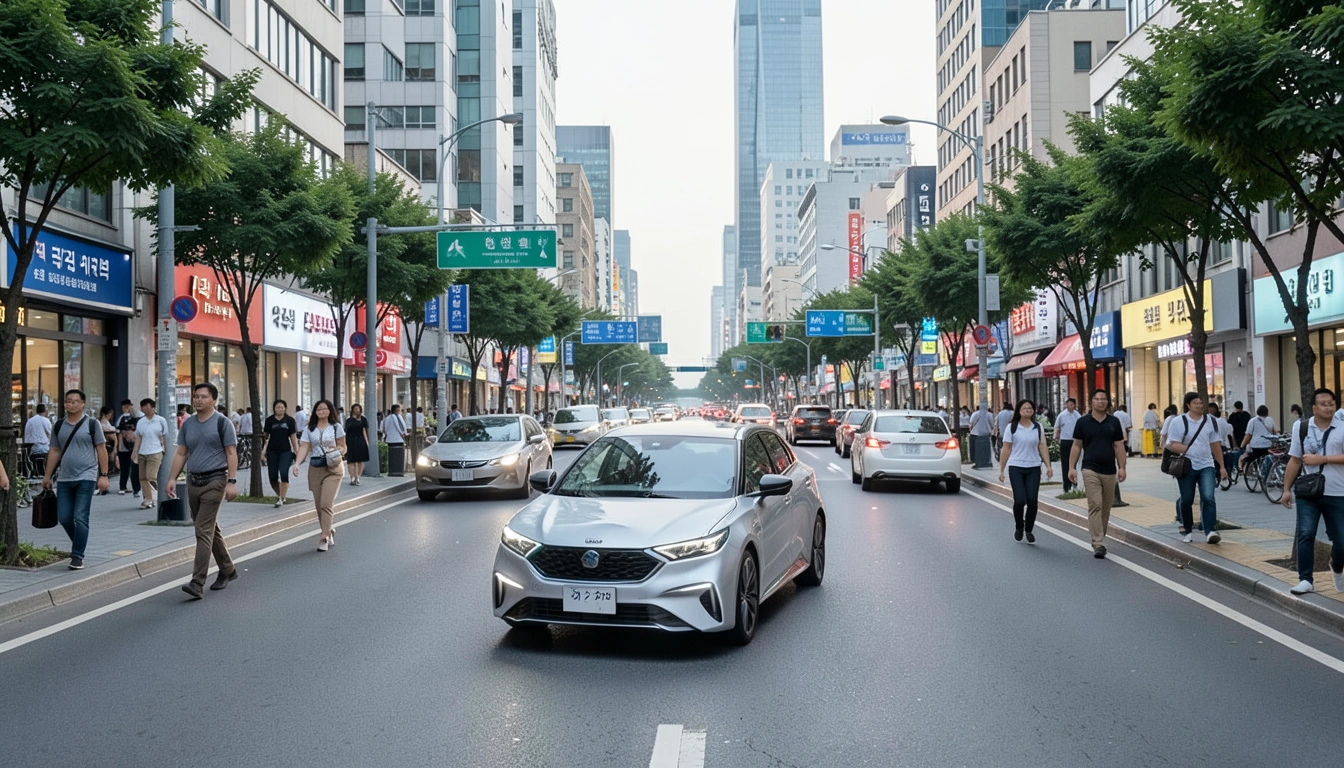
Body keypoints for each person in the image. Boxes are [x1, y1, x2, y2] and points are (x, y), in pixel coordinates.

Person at [165, 382, 239, 600]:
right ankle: (228, 569)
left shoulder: (222, 423)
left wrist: (231, 482)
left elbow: (231, 452)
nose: (198, 400)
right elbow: (181, 453)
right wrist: (171, 479)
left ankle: (197, 582)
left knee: (202, 531)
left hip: (215, 480)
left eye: (203, 396)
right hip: (193, 481)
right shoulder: (188, 424)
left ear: (213, 399)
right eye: (196, 396)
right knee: (209, 528)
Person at [1281, 387, 1344, 596]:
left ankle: (1336, 564)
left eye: (1332, 404)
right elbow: (1295, 459)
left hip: (1338, 492)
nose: (1328, 407)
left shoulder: (1342, 427)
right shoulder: (1302, 427)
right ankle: (1305, 579)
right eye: (1324, 404)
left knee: (1341, 540)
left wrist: (1323, 459)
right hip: (1309, 492)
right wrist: (1286, 489)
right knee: (1306, 534)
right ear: (1314, 407)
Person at [41, 390, 109, 570]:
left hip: (86, 476)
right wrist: (47, 476)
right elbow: (54, 450)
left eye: (75, 401)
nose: (72, 404)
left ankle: (77, 555)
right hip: (64, 478)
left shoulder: (92, 424)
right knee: (64, 517)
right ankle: (80, 540)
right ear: (64, 404)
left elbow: (101, 449)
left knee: (80, 517)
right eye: (68, 401)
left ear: (82, 404)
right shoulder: (58, 425)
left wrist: (104, 475)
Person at [1067, 389, 1127, 559]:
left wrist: (1122, 467)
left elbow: (1119, 446)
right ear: (1091, 402)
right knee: (1096, 504)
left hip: (1109, 470)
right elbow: (1077, 445)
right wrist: (1071, 467)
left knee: (1106, 508)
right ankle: (1098, 543)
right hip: (1089, 468)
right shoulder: (1083, 422)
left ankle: (1100, 537)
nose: (1101, 402)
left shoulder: (1114, 422)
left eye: (1104, 399)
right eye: (1098, 399)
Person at [1167, 391, 1228, 545]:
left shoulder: (1211, 421)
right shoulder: (1178, 422)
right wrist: (1187, 449)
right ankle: (1187, 529)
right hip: (1186, 466)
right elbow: (1172, 444)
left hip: (1206, 465)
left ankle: (1210, 530)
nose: (1200, 405)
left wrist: (1222, 466)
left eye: (1201, 403)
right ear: (1188, 405)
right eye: (1196, 403)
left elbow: (1215, 445)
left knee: (1208, 497)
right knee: (1186, 499)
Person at [998, 399, 1053, 543]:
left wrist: (1048, 466)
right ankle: (1019, 526)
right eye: (1024, 408)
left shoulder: (1038, 427)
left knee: (1033, 501)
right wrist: (1001, 470)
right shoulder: (1012, 427)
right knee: (1020, 501)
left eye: (1030, 408)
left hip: (1033, 467)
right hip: (1016, 467)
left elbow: (1042, 446)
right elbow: (1006, 449)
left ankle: (1029, 529)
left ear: (1033, 411)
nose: (1027, 410)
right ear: (1019, 411)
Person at [294, 399, 346, 552]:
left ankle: (324, 536)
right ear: (315, 412)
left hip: (333, 468)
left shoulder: (336, 427)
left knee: (326, 504)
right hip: (315, 467)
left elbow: (343, 445)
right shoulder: (309, 429)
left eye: (325, 409)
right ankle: (328, 529)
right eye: (319, 409)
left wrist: (336, 451)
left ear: (330, 410)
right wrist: (297, 463)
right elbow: (304, 447)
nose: (322, 411)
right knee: (318, 506)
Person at [131, 398, 168, 510]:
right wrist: (134, 452)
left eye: (148, 407)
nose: (145, 409)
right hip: (143, 452)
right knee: (142, 477)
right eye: (143, 407)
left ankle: (154, 498)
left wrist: (164, 448)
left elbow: (164, 435)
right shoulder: (141, 421)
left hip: (155, 451)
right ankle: (148, 499)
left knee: (150, 476)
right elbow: (138, 437)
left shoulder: (160, 420)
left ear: (153, 407)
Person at [261, 399, 298, 508]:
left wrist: (297, 452)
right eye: (278, 407)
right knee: (272, 477)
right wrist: (263, 452)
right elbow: (266, 438)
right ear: (274, 409)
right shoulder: (269, 421)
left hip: (285, 451)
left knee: (283, 473)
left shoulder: (290, 421)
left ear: (285, 408)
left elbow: (293, 437)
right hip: (272, 451)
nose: (280, 409)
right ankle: (281, 495)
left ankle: (281, 499)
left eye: (282, 407)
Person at [1239, 404, 1277, 477]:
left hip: (1256, 446)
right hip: (1269, 445)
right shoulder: (1270, 420)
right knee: (1268, 460)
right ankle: (1267, 475)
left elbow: (1248, 435)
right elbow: (1275, 431)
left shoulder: (1252, 421)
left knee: (1255, 459)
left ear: (1257, 412)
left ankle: (1259, 474)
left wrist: (1242, 445)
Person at [1055, 398, 1081, 493]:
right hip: (1065, 441)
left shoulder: (1077, 415)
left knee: (1074, 464)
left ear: (1074, 405)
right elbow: (1057, 427)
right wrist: (1056, 437)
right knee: (1065, 463)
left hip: (1075, 441)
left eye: (1071, 404)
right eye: (1068, 404)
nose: (1070, 406)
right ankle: (1066, 486)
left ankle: (1074, 483)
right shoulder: (1062, 415)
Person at [115, 399, 141, 497]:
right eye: (126, 406)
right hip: (124, 447)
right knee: (125, 468)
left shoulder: (136, 416)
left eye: (129, 406)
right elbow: (118, 430)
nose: (127, 408)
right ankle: (123, 487)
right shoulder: (122, 418)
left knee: (134, 468)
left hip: (132, 446)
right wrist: (119, 447)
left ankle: (133, 488)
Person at [24, 403, 53, 479]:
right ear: (45, 411)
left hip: (31, 450)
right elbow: (50, 434)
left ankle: (37, 472)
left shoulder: (30, 421)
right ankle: (49, 474)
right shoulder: (45, 420)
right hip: (43, 448)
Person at [344, 403, 370, 486]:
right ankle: (352, 477)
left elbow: (364, 431)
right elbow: (346, 432)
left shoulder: (363, 419)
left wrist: (367, 442)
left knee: (360, 460)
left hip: (360, 441)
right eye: (355, 409)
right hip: (351, 441)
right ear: (352, 410)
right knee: (351, 460)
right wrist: (345, 443)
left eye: (358, 409)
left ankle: (358, 477)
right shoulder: (349, 420)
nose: (357, 410)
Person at [381, 404, 409, 476]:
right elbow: (401, 427)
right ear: (395, 410)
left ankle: (392, 471)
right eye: (398, 410)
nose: (399, 412)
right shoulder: (397, 417)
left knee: (392, 458)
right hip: (398, 440)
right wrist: (404, 433)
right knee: (398, 458)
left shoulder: (387, 418)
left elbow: (384, 429)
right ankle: (398, 471)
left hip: (389, 440)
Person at [97, 405, 118, 496]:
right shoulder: (102, 423)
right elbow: (111, 431)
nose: (111, 415)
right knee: (105, 466)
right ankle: (102, 487)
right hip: (107, 447)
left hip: (107, 446)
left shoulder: (101, 423)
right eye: (110, 414)